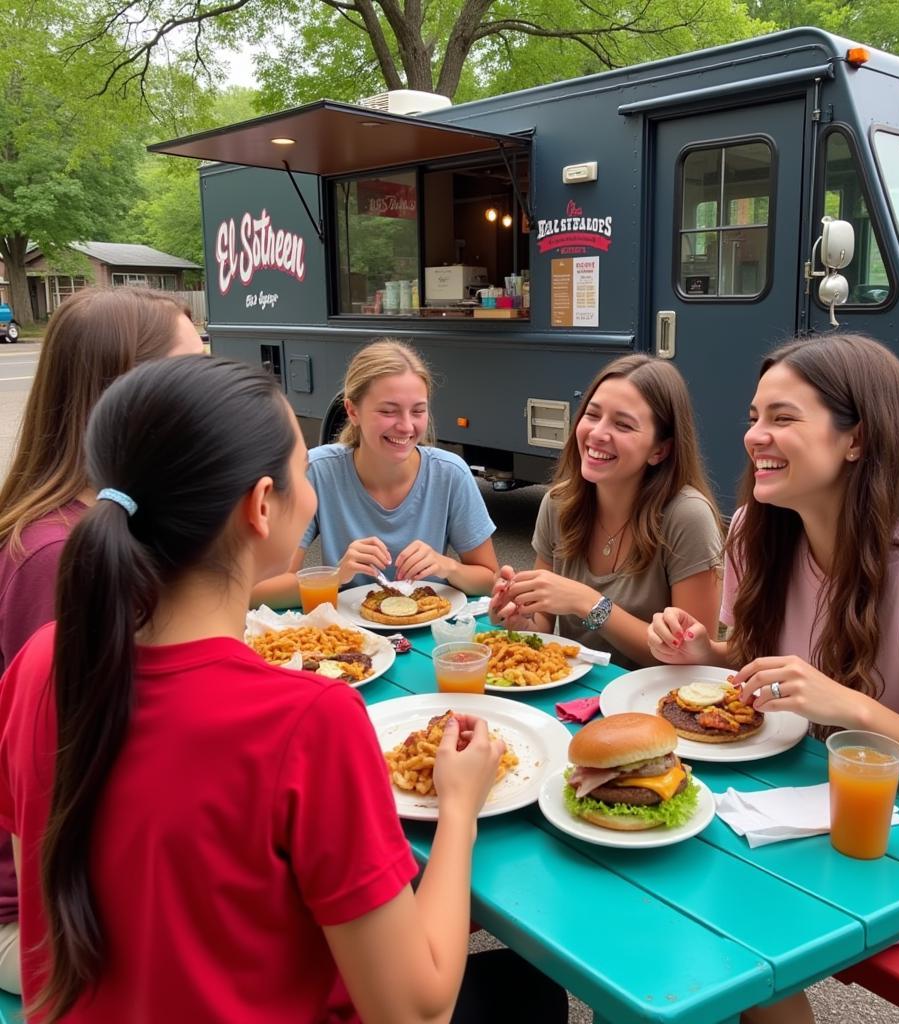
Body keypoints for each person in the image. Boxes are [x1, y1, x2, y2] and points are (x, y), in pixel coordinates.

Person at [0, 355, 568, 1023]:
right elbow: (416, 1012)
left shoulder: (43, 663)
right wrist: (460, 808)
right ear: (261, 506)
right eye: (302, 471)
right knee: (530, 990)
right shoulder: (309, 720)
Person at [648, 334, 899, 1024]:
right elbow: (757, 663)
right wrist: (702, 650)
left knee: (716, 911)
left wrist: (851, 706)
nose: (757, 435)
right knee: (658, 872)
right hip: (800, 796)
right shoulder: (755, 530)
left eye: (784, 418)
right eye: (755, 417)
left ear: (856, 440)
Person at [0, 285, 201, 996]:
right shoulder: (54, 556)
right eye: (192, 373)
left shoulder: (117, 517)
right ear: (125, 397)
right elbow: (71, 793)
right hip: (46, 913)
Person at [490, 354, 723, 668]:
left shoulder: (687, 516)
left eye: (623, 424)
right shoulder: (558, 504)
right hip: (574, 698)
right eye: (592, 414)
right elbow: (543, 624)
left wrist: (588, 603)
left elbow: (690, 657)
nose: (597, 433)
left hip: (654, 704)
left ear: (660, 450)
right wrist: (518, 621)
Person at [254, 339, 498, 607]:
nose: (406, 427)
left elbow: (490, 580)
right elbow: (258, 591)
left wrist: (447, 567)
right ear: (352, 411)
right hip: (348, 639)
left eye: (418, 411)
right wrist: (337, 576)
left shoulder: (450, 474)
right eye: (388, 411)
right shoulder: (318, 471)